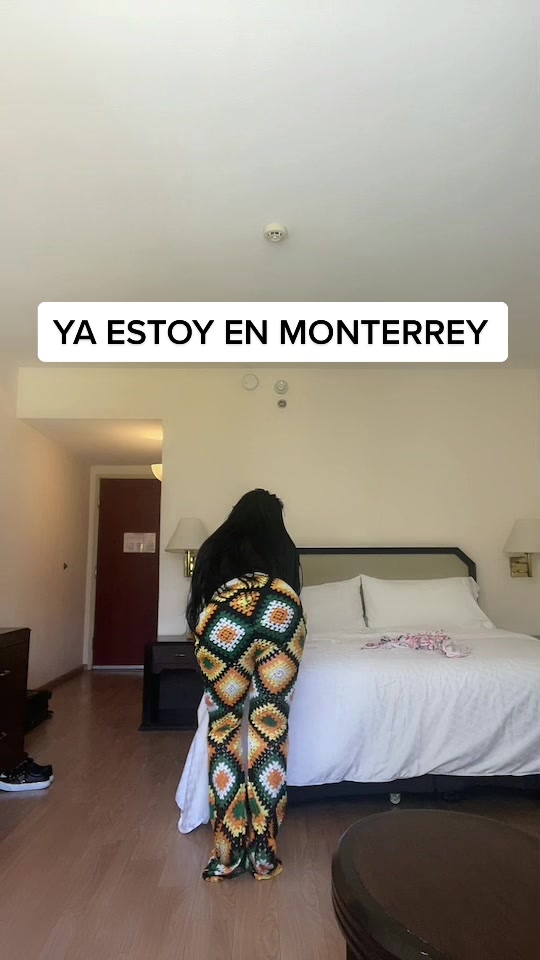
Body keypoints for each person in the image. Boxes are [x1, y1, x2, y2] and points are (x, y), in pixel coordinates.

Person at [186, 489, 306, 882]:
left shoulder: (214, 547)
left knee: (223, 727)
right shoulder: (283, 549)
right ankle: (264, 854)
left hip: (224, 615)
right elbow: (294, 592)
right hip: (280, 609)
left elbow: (198, 605)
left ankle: (226, 853)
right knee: (270, 725)